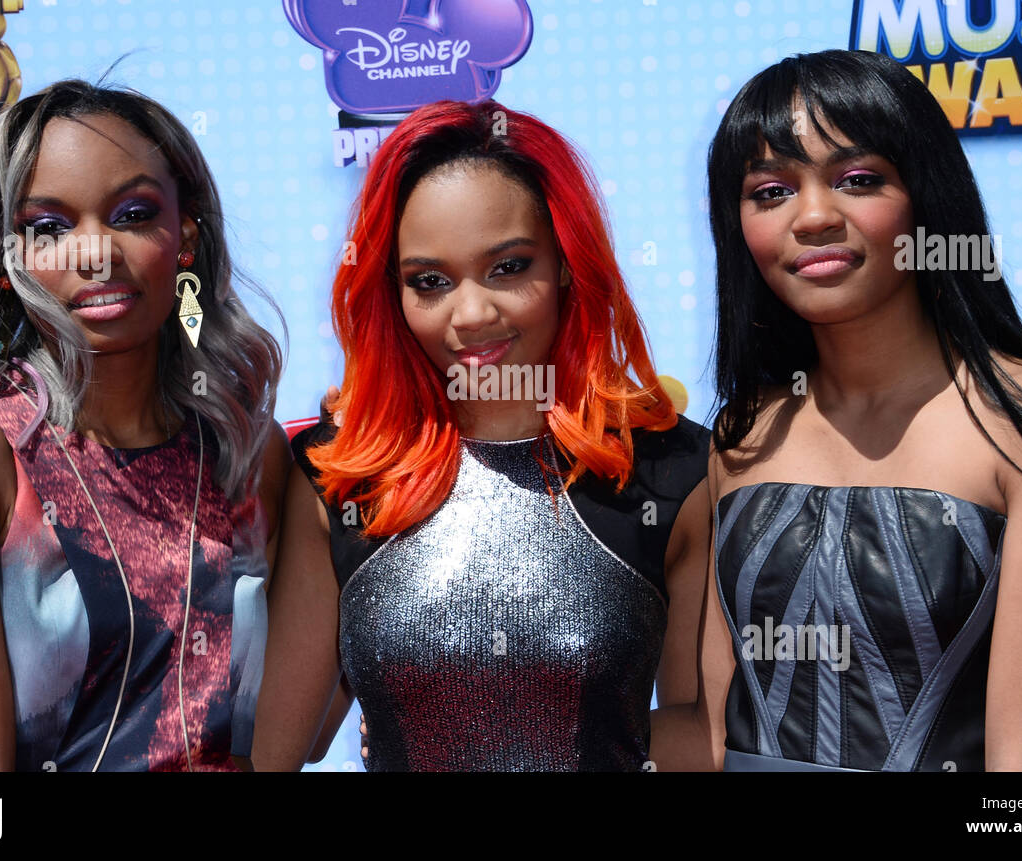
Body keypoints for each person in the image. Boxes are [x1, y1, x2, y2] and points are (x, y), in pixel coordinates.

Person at [686, 50, 1022, 771]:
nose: (814, 217)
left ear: (925, 195)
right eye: (771, 191)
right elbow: (709, 734)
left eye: (858, 180)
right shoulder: (743, 431)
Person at [250, 100, 712, 772]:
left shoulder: (675, 472)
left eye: (508, 267)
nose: (470, 313)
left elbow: (705, 735)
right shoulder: (338, 475)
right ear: (392, 291)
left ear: (567, 261)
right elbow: (275, 748)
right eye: (430, 281)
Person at [0, 80, 288, 771]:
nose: (95, 253)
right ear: (5, 257)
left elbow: (301, 733)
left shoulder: (248, 449)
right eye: (48, 227)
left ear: (185, 235)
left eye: (133, 214)